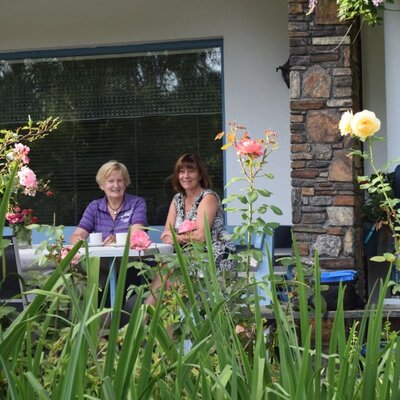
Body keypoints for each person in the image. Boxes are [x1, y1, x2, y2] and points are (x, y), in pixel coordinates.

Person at [161, 153, 236, 271]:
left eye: (191, 171)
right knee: (165, 268)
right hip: (188, 254)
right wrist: (173, 237)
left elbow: (201, 236)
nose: (185, 176)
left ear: (200, 175)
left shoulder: (208, 197)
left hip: (212, 255)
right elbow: (166, 233)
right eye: (181, 171)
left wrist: (175, 237)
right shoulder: (177, 199)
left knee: (169, 270)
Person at [70, 160, 147, 245]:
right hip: (103, 257)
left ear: (125, 183)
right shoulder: (94, 207)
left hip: (132, 257)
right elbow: (77, 234)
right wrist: (78, 239)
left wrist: (117, 241)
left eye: (120, 181)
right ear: (101, 185)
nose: (116, 185)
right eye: (111, 181)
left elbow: (137, 234)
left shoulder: (136, 203)